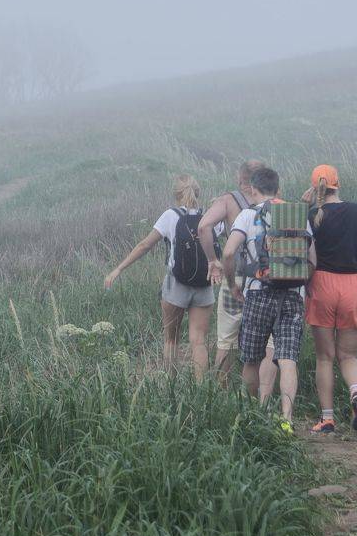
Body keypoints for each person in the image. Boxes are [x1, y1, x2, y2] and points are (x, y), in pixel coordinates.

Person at [219, 166, 306, 434]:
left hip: (257, 292)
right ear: (278, 189)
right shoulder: (296, 214)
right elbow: (312, 260)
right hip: (293, 294)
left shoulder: (247, 214)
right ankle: (286, 420)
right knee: (287, 358)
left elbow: (228, 253)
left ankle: (250, 416)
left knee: (251, 358)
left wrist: (233, 285)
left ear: (253, 189)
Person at [105, 174, 215, 380]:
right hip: (204, 283)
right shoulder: (209, 216)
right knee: (199, 341)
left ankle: (171, 385)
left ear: (176, 194)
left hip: (176, 284)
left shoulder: (170, 215)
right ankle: (202, 391)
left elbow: (145, 245)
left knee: (171, 340)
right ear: (198, 193)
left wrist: (119, 268)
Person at [302, 164, 357, 434]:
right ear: (338, 184)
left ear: (314, 188)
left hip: (322, 285)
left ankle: (327, 419)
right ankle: (356, 393)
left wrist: (305, 207)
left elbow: (301, 248)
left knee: (325, 357)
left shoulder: (312, 214)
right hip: (353, 286)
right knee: (348, 355)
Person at [199, 160, 278, 391]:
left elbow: (203, 227)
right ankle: (262, 398)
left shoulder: (227, 201)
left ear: (240, 178)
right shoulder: (274, 202)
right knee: (269, 341)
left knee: (226, 339)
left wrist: (212, 260)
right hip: (268, 281)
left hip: (235, 278)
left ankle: (221, 393)